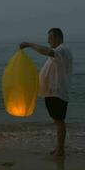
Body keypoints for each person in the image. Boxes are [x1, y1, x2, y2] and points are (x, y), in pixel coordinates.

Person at [20, 28, 73, 157]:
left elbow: (47, 51)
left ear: (57, 38)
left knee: (59, 121)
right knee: (57, 121)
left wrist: (29, 44)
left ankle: (60, 150)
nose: (48, 41)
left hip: (57, 92)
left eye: (50, 38)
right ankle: (58, 148)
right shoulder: (59, 52)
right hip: (51, 93)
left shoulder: (62, 50)